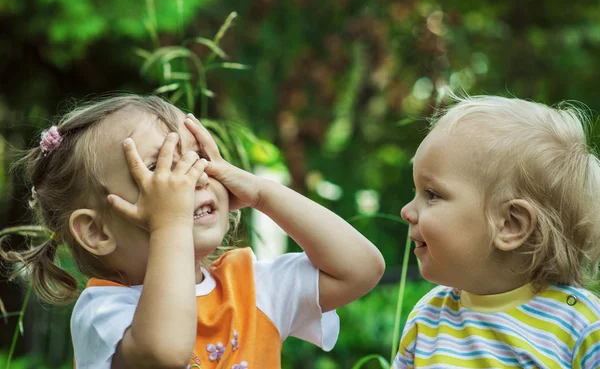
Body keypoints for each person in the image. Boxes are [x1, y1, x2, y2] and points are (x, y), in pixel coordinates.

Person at [0, 94, 385, 369]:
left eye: (197, 157)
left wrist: (263, 194)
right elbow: (166, 354)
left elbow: (361, 268)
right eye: (162, 170)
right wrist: (172, 222)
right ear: (96, 231)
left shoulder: (252, 286)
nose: (194, 177)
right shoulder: (104, 311)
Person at [393, 95, 600, 368]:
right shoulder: (428, 316)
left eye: (432, 194)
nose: (406, 211)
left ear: (510, 224)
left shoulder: (580, 325)